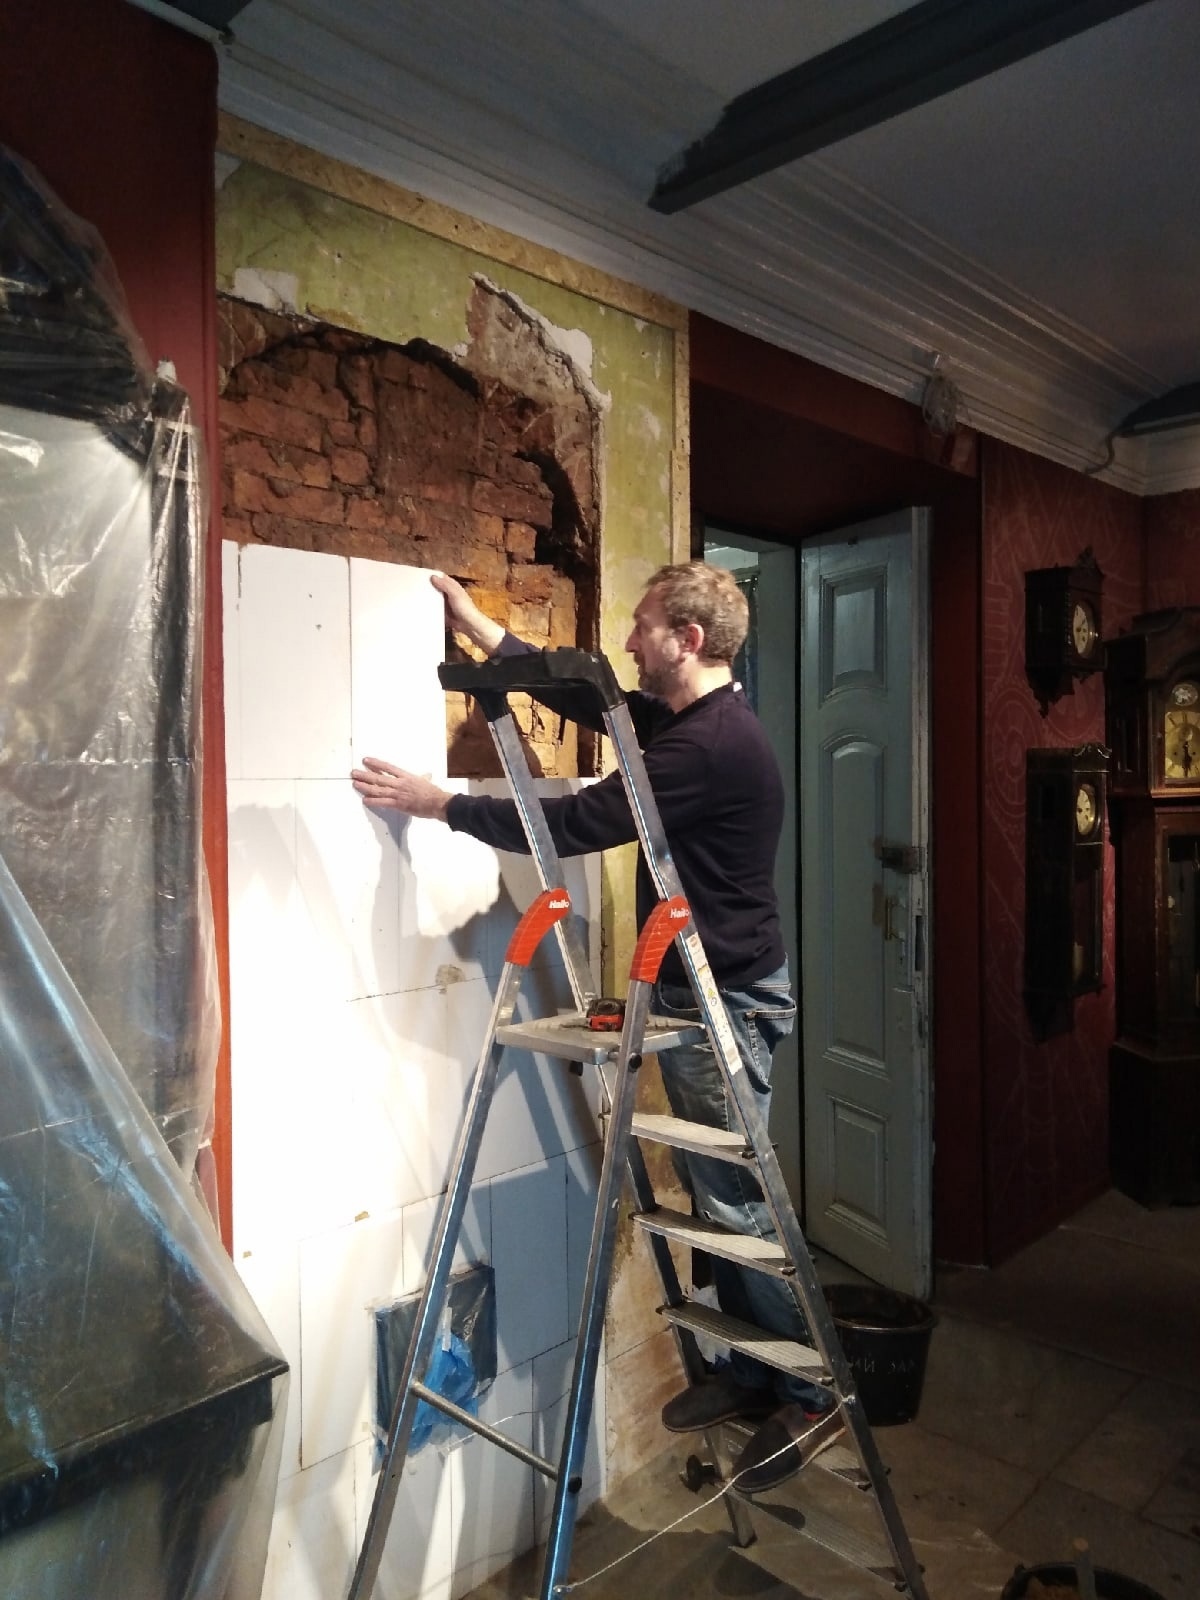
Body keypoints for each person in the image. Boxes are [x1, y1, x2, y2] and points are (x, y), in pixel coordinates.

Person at [351, 563, 830, 1492]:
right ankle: (752, 1371)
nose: (630, 641)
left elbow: (578, 821)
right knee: (717, 1197)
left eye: (644, 627)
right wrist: (483, 630)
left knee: (736, 1201)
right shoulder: (688, 722)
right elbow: (588, 699)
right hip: (699, 991)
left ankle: (805, 1394)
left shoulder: (709, 747)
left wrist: (439, 804)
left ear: (689, 640)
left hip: (727, 1000)